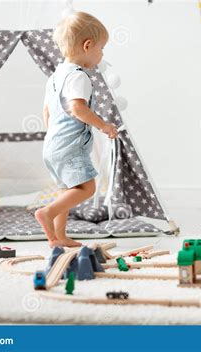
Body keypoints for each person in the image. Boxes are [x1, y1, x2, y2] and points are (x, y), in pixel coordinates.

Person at [35, 12, 118, 247]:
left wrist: (54, 135)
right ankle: (47, 213)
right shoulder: (78, 77)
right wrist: (103, 125)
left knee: (67, 191)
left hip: (52, 145)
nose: (101, 54)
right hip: (69, 147)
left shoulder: (54, 76)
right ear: (87, 45)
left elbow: (47, 112)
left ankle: (60, 237)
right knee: (87, 187)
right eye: (101, 49)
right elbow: (77, 108)